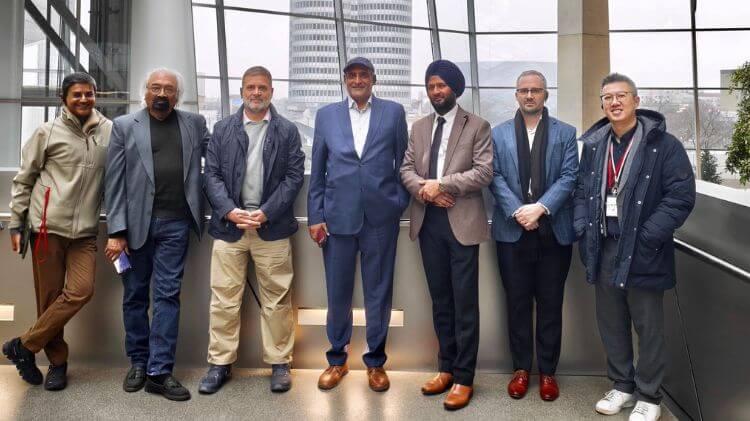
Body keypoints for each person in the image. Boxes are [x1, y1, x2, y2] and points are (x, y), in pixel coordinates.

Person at [574, 73, 695, 421]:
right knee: (611, 322)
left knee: (648, 327)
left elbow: (680, 196)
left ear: (636, 101)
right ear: (602, 104)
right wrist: (582, 227)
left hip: (643, 250)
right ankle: (623, 386)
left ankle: (649, 396)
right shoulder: (596, 145)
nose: (614, 102)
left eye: (621, 95)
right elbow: (581, 191)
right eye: (607, 97)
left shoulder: (664, 145)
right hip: (604, 248)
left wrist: (647, 236)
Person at [104, 68, 209, 401]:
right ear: (145, 92)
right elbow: (113, 182)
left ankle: (159, 371)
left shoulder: (195, 124)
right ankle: (138, 362)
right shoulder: (124, 126)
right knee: (135, 295)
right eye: (155, 88)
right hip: (134, 228)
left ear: (178, 96)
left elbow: (219, 160)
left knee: (167, 296)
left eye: (169, 89)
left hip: (176, 225)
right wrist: (116, 231)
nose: (162, 94)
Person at [3, 72, 112, 391]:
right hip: (46, 229)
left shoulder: (109, 131)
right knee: (49, 299)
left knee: (81, 290)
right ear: (63, 98)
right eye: (77, 94)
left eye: (89, 94)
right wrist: (16, 222)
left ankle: (23, 345)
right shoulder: (46, 132)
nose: (84, 99)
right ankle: (57, 364)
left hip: (85, 233)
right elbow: (24, 180)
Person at [198, 66, 304, 394]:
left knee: (277, 300)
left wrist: (266, 211)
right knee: (224, 300)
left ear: (271, 91)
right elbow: (211, 175)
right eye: (250, 87)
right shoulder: (222, 129)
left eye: (262, 88)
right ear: (242, 91)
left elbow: (294, 177)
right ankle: (220, 363)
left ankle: (280, 363)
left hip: (271, 227)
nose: (256, 93)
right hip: (230, 228)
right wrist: (230, 211)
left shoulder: (287, 131)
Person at [307, 56, 409, 392]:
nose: (357, 80)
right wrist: (315, 216)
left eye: (363, 75)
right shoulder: (326, 115)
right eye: (351, 75)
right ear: (345, 80)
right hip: (337, 219)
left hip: (381, 218)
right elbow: (318, 170)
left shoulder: (393, 113)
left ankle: (375, 362)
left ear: (373, 79)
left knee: (378, 293)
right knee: (337, 292)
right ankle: (337, 360)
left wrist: (397, 203)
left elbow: (403, 163)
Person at [400, 59, 493, 410]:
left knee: (465, 303)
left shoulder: (477, 125)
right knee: (440, 301)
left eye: (441, 85)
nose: (436, 91)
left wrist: (442, 184)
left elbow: (483, 172)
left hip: (462, 223)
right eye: (431, 86)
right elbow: (406, 169)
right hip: (429, 222)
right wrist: (427, 192)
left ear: (455, 88)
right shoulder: (419, 126)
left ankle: (465, 378)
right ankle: (446, 369)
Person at [489, 70, 578, 401]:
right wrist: (518, 211)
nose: (529, 95)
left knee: (551, 304)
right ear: (516, 95)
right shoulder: (497, 134)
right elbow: (494, 176)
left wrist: (540, 208)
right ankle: (521, 369)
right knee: (517, 304)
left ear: (545, 94)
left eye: (535, 90)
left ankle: (548, 372)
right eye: (524, 90)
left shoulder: (565, 133)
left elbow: (570, 176)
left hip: (553, 231)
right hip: (512, 232)